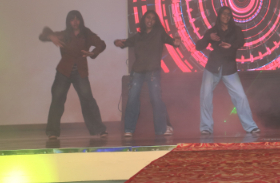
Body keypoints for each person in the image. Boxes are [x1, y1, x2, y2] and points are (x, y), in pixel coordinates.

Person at [39, 10, 107, 140]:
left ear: (80, 20)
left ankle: (98, 129)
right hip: (63, 71)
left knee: (88, 100)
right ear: (68, 21)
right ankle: (52, 132)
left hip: (80, 71)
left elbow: (101, 44)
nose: (75, 22)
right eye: (72, 19)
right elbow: (43, 34)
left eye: (77, 19)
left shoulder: (86, 33)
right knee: (57, 100)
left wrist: (93, 53)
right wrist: (51, 36)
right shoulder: (64, 34)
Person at [114, 10, 180, 137]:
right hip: (138, 71)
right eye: (148, 17)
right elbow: (125, 42)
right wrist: (117, 42)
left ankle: (161, 129)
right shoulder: (139, 36)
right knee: (132, 98)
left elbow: (171, 41)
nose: (150, 20)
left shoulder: (159, 33)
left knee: (156, 98)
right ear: (144, 19)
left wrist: (176, 42)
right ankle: (129, 129)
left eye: (153, 18)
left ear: (156, 22)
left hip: (153, 71)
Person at [196, 6, 260, 135]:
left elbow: (241, 41)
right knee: (205, 96)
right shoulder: (213, 31)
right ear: (219, 15)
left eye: (228, 14)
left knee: (240, 96)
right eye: (224, 14)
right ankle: (206, 127)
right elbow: (198, 46)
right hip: (213, 67)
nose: (226, 16)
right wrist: (208, 37)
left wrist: (231, 46)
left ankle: (251, 126)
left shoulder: (236, 30)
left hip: (229, 68)